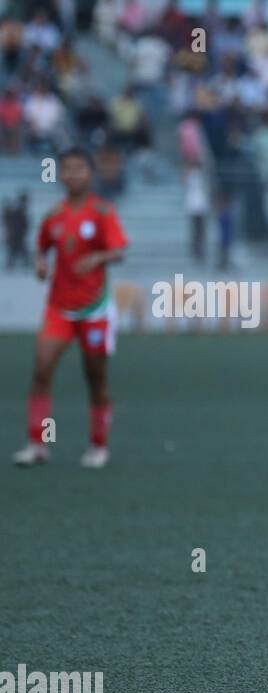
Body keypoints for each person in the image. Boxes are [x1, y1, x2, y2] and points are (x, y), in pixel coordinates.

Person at [13, 148, 128, 468]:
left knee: (94, 377)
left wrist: (98, 257)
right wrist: (39, 265)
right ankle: (40, 442)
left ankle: (98, 445)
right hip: (59, 308)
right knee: (42, 370)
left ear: (89, 174)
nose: (73, 174)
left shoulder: (102, 212)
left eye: (80, 168)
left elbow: (119, 250)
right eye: (67, 169)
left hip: (95, 309)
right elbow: (41, 249)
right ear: (59, 174)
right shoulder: (53, 216)